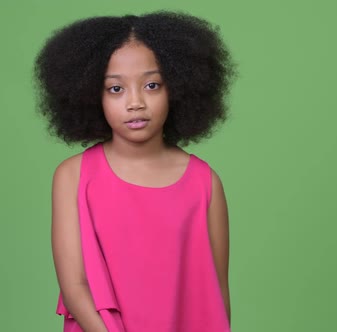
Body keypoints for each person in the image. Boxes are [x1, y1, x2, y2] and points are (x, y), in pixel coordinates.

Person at [33, 10, 237, 332]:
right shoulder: (73, 176)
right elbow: (75, 287)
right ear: (90, 94)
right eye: (116, 89)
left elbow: (216, 296)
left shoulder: (204, 182)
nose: (135, 102)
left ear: (178, 88)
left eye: (152, 85)